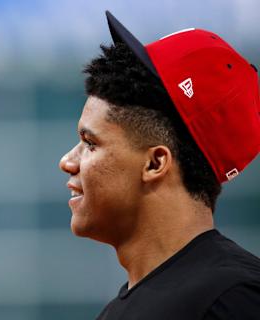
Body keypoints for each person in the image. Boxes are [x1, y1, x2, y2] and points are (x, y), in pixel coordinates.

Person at [59, 11, 260, 320]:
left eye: (90, 143)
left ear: (155, 163)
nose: (67, 162)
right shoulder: (117, 311)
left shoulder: (233, 298)